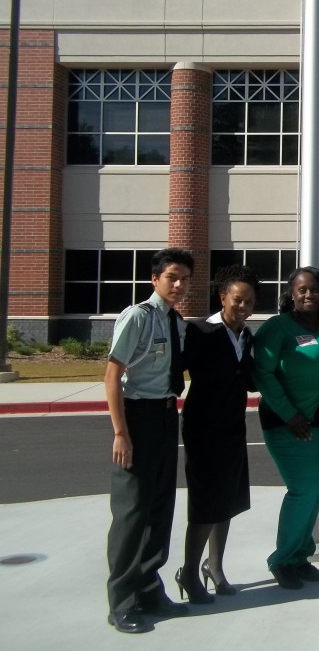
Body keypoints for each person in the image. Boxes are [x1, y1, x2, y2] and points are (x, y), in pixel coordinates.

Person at [104, 248, 193, 634]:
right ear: (154, 279)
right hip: (137, 417)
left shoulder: (178, 322)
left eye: (184, 279)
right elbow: (112, 375)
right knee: (132, 511)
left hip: (165, 414)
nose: (178, 285)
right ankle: (122, 600)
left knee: (160, 505)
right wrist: (120, 433)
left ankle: (150, 588)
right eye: (172, 277)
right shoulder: (137, 317)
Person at [253, 266, 319, 590]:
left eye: (314, 289)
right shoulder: (277, 328)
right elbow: (263, 375)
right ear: (291, 293)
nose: (308, 294)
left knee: (316, 490)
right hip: (289, 423)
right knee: (303, 490)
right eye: (302, 290)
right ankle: (281, 560)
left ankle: (301, 556)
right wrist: (290, 415)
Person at [176, 264, 259, 603]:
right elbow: (174, 370)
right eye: (237, 300)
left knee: (227, 499)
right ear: (223, 297)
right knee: (205, 502)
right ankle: (189, 571)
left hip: (232, 427)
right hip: (203, 429)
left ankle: (216, 568)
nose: (243, 306)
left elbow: (249, 379)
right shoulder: (200, 332)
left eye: (249, 301)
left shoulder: (246, 335)